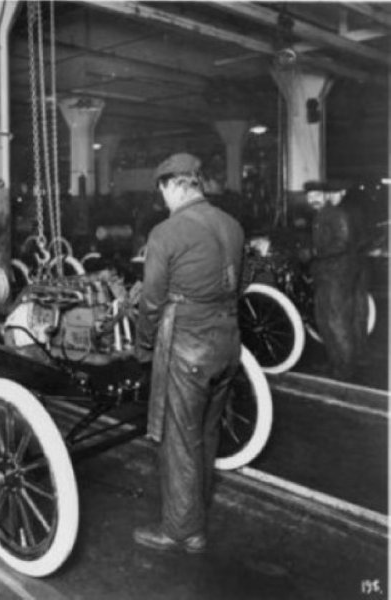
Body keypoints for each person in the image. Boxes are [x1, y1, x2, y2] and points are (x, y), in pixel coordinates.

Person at [133, 153, 244, 554]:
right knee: (207, 433)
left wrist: (144, 345)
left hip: (188, 343)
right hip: (228, 341)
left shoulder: (166, 232)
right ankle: (194, 520)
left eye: (162, 190)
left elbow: (151, 301)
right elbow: (238, 284)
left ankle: (181, 530)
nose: (162, 199)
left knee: (179, 438)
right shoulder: (232, 225)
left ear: (175, 185)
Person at [302, 180, 368, 380]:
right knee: (325, 322)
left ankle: (345, 369)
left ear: (326, 196)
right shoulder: (321, 215)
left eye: (317, 196)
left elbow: (342, 242)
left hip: (336, 275)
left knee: (336, 322)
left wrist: (314, 252)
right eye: (309, 197)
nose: (313, 200)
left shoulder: (335, 214)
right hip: (328, 274)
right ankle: (336, 361)